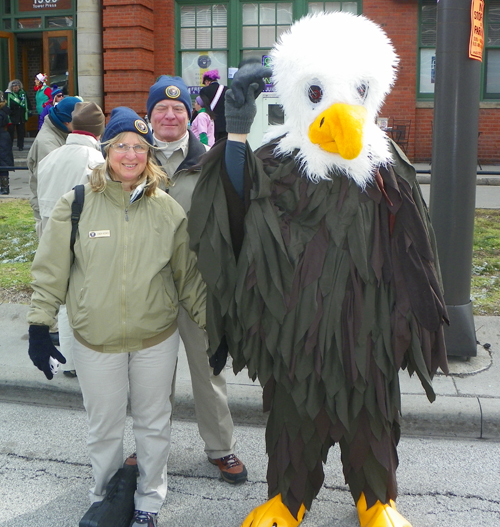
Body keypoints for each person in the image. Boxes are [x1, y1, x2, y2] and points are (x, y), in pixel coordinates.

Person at [188, 12, 449, 527]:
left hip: (367, 329)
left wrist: (412, 318)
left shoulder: (386, 165)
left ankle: (376, 498)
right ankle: (288, 497)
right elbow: (235, 212)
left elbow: (417, 248)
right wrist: (235, 135)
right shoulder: (280, 159)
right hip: (296, 330)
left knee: (372, 413)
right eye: (316, 94)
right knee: (294, 413)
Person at [27, 106, 206, 527]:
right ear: (106, 150)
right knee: (104, 429)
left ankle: (149, 500)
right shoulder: (77, 204)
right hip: (95, 340)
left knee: (153, 424)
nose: (130, 155)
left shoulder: (167, 211)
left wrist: (215, 331)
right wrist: (39, 325)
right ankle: (105, 496)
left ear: (149, 156)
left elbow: (189, 279)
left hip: (155, 340)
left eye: (140, 148)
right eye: (122, 146)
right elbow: (50, 269)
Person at [146, 75, 247, 484]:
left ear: (191, 115)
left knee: (209, 373)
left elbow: (229, 222)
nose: (170, 115)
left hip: (198, 290)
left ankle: (220, 448)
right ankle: (149, 447)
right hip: (147, 291)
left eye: (178, 109)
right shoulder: (130, 158)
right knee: (150, 378)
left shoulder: (209, 162)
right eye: (161, 109)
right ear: (149, 115)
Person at [36, 101, 106, 377]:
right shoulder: (96, 162)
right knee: (87, 297)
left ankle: (69, 361)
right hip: (83, 237)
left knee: (64, 300)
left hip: (49, 232)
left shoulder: (50, 158)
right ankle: (87, 359)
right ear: (99, 132)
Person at [27, 96, 81, 238]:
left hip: (58, 210)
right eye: (79, 122)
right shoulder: (48, 143)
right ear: (67, 121)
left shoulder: (61, 133)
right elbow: (55, 182)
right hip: (49, 212)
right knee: (54, 257)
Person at [200, 69, 227, 141]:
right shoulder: (227, 89)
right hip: (226, 124)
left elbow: (203, 106)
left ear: (207, 81)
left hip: (212, 123)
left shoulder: (204, 91)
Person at [5, 79, 30, 151]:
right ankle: (10, 145)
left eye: (17, 86)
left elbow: (27, 103)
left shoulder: (23, 93)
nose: (16, 88)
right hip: (12, 115)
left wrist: (28, 112)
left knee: (21, 131)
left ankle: (20, 146)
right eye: (14, 86)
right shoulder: (8, 94)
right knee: (11, 132)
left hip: (20, 116)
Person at [0, 91, 14, 195]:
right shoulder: (4, 110)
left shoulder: (2, 111)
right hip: (3, 136)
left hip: (2, 138)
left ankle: (5, 187)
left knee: (3, 161)